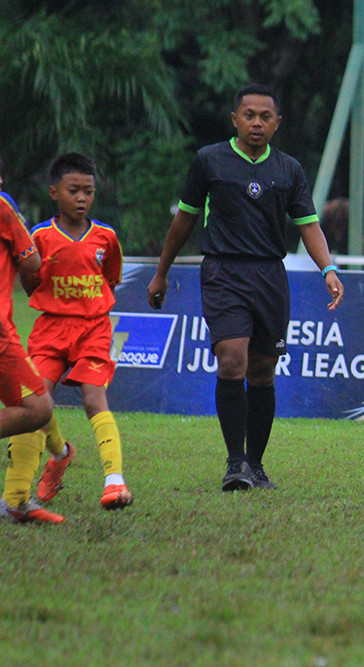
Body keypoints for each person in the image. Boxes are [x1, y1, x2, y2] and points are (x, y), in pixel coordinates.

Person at [146, 83, 344, 491]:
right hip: (223, 272)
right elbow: (182, 221)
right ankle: (234, 463)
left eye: (265, 116)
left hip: (270, 276)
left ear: (277, 124)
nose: (256, 122)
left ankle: (256, 465)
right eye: (249, 115)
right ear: (234, 119)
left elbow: (309, 226)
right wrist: (161, 272)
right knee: (231, 360)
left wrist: (328, 269)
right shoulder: (209, 161)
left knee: (263, 371)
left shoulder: (288, 170)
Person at [6, 152, 133, 521]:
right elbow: (31, 280)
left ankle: (115, 481)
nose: (82, 198)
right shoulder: (41, 236)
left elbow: (110, 279)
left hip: (93, 328)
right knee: (35, 402)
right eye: (73, 190)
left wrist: (88, 307)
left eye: (88, 192)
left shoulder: (106, 238)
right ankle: (59, 456)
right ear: (54, 193)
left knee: (94, 398)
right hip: (50, 328)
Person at [0, 156, 59, 523]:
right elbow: (33, 264)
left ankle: (19, 499)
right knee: (39, 408)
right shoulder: (4, 207)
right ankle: (18, 500)